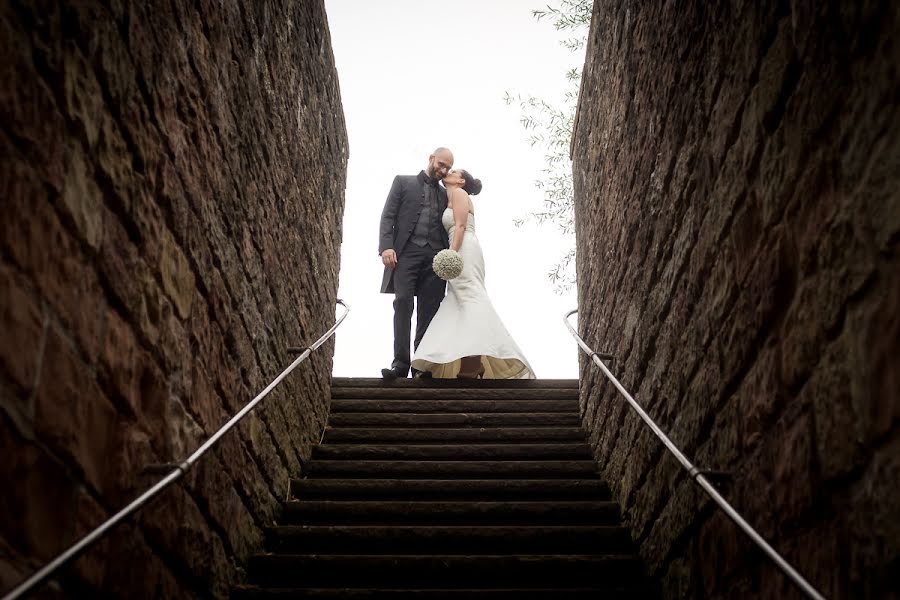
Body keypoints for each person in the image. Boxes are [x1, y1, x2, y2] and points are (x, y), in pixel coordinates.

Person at [411, 169, 535, 379]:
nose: (448, 172)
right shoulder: (449, 196)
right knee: (458, 300)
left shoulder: (460, 194)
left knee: (470, 298)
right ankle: (464, 359)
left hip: (464, 248)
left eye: (453, 171)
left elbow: (460, 225)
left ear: (460, 181)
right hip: (458, 247)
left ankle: (473, 361)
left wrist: (452, 253)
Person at [379, 148, 454, 380]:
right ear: (431, 158)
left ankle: (420, 366)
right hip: (406, 254)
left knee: (429, 310)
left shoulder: (446, 195)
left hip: (435, 256)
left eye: (447, 168)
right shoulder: (402, 182)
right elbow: (388, 215)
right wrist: (386, 246)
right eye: (441, 164)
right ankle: (400, 364)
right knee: (402, 303)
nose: (443, 170)